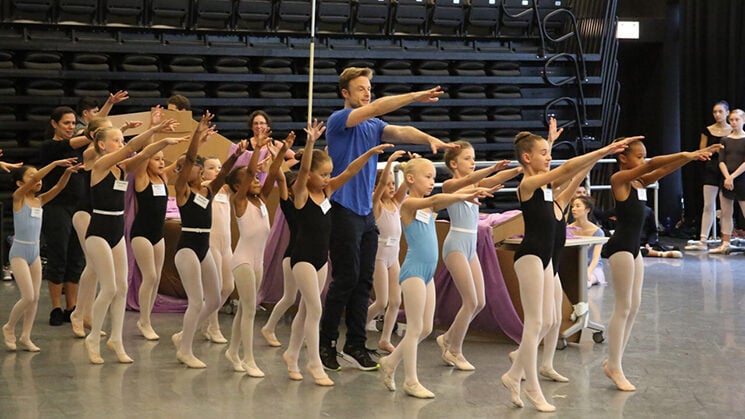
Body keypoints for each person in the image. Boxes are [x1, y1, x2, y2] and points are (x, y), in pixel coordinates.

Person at [319, 66, 456, 372]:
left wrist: (429, 139)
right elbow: (380, 106)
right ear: (346, 93)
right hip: (341, 210)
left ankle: (355, 344)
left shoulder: (373, 125)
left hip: (366, 214)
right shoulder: (339, 120)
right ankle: (325, 343)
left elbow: (401, 131)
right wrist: (417, 95)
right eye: (360, 89)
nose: (366, 93)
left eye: (368, 88)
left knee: (363, 281)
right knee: (345, 279)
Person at [501, 133, 637, 412]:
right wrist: (605, 148)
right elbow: (565, 169)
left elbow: (573, 176)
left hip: (547, 261)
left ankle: (513, 373)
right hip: (529, 258)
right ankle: (530, 386)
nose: (548, 157)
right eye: (543, 152)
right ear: (527, 158)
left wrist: (596, 158)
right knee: (535, 323)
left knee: (550, 320)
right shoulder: (527, 185)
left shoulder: (553, 198)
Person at [602, 138, 721, 391]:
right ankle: (614, 365)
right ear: (624, 158)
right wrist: (689, 151)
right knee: (623, 307)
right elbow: (655, 164)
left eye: (645, 156)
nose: (644, 161)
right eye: (639, 156)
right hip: (621, 246)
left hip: (634, 249)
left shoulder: (638, 182)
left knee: (634, 307)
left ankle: (615, 361)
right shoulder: (619, 181)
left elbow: (662, 169)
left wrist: (688, 158)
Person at [282, 121, 391, 386]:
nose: (328, 178)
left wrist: (369, 153)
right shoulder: (300, 194)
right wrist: (309, 144)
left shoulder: (327, 191)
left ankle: (291, 354)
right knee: (316, 310)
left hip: (321, 260)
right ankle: (314, 363)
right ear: (309, 177)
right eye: (323, 175)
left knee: (306, 311)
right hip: (303, 259)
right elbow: (305, 167)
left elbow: (351, 171)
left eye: (330, 174)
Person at [378, 158, 495, 398]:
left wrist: (471, 191)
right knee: (414, 328)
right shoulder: (409, 203)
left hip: (428, 273)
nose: (433, 182)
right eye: (428, 177)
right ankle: (410, 380)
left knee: (426, 328)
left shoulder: (430, 208)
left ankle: (390, 362)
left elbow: (439, 199)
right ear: (410, 179)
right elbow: (435, 199)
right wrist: (463, 196)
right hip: (413, 272)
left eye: (434, 177)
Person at [84, 121, 183, 364]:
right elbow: (135, 149)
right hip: (98, 231)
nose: (121, 144)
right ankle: (93, 337)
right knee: (109, 287)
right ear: (102, 144)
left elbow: (145, 153)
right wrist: (153, 132)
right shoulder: (100, 165)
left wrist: (160, 140)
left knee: (122, 287)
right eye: (116, 140)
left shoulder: (122, 168)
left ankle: (116, 339)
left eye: (122, 139)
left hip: (117, 230)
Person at [436, 141, 521, 371]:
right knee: (470, 301)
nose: (472, 162)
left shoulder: (475, 182)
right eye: (467, 159)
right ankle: (454, 350)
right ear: (453, 163)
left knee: (480, 302)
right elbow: (469, 184)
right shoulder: (450, 185)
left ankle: (447, 338)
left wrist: (518, 168)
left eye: (474, 158)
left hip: (471, 246)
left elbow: (491, 182)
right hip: (455, 245)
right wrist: (492, 169)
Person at [171, 111, 245, 369]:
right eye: (184, 167)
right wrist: (197, 135)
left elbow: (223, 174)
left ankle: (183, 334)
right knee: (196, 299)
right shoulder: (182, 191)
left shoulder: (207, 190)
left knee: (213, 299)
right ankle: (185, 349)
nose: (189, 168)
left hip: (204, 248)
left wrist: (235, 156)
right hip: (188, 248)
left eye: (192, 166)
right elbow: (189, 157)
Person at [225, 129, 294, 377]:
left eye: (255, 180)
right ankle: (249, 358)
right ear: (238, 186)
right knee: (250, 310)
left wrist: (283, 151)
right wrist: (256, 151)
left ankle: (233, 351)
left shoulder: (262, 199)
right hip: (242, 260)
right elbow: (252, 173)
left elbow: (272, 173)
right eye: (251, 180)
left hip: (257, 262)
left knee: (245, 309)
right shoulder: (239, 201)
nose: (256, 181)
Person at [2, 158, 80, 352]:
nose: (37, 181)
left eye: (38, 178)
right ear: (21, 183)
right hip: (19, 252)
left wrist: (67, 173)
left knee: (35, 297)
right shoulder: (18, 197)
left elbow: (59, 188)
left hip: (35, 253)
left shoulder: (39, 200)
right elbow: (37, 176)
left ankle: (26, 336)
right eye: (31, 177)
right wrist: (54, 164)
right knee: (27, 296)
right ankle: (9, 327)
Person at [39, 107, 94, 326]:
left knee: (76, 257)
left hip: (78, 207)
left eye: (73, 123)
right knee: (58, 254)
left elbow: (92, 132)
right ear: (54, 124)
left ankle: (72, 306)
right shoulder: (50, 147)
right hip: (56, 207)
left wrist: (107, 109)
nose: (71, 127)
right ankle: (55, 307)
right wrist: (91, 133)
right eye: (66, 123)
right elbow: (73, 142)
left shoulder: (80, 146)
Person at [131, 134, 183, 341]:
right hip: (141, 233)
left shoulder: (163, 178)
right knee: (150, 276)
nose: (161, 162)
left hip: (157, 235)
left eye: (163, 159)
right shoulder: (141, 179)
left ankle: (146, 318)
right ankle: (144, 320)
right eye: (157, 159)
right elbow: (145, 153)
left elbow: (180, 162)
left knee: (157, 277)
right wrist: (155, 131)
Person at [365, 150, 408, 354]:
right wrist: (389, 163)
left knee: (396, 301)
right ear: (375, 187)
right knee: (381, 301)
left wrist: (409, 169)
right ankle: (358, 325)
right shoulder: (376, 204)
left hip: (394, 256)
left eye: (393, 184)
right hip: (379, 256)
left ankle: (385, 339)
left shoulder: (396, 203)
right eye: (387, 184)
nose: (391, 188)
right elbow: (381, 185)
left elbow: (405, 186)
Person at [259, 169, 299, 347]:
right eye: (297, 183)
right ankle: (269, 327)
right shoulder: (289, 205)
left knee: (309, 301)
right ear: (290, 190)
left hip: (312, 256)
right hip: (293, 256)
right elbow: (282, 180)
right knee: (290, 298)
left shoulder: (312, 202)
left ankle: (304, 334)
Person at [686, 101, 732, 251]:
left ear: (727, 113)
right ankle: (703, 239)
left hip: (728, 169)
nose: (717, 115)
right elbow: (702, 151)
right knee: (708, 205)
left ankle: (726, 240)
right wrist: (714, 150)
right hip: (711, 168)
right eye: (715, 112)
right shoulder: (707, 130)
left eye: (720, 111)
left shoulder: (733, 131)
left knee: (726, 207)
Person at [200, 156, 233, 344]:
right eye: (211, 167)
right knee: (216, 287)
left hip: (226, 244)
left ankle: (205, 319)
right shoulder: (205, 188)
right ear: (203, 171)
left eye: (219, 167)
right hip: (211, 242)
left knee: (228, 286)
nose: (216, 170)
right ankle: (214, 326)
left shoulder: (226, 190)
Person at [709, 109, 745, 254]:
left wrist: (733, 176)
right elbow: (721, 161)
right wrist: (727, 177)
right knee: (726, 212)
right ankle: (725, 242)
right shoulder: (725, 140)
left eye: (737, 120)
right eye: (731, 120)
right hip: (727, 180)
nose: (734, 122)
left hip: (741, 179)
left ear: (743, 120)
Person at [227, 110, 298, 183]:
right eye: (255, 123)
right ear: (251, 126)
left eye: (262, 123)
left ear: (267, 125)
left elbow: (295, 158)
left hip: (270, 181)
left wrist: (276, 168)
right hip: (249, 181)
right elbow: (231, 163)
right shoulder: (244, 144)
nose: (258, 126)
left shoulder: (275, 144)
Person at [569, 196, 606, 287]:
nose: (574, 209)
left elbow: (596, 258)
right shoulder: (568, 229)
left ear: (587, 210)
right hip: (574, 267)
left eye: (578, 206)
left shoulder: (598, 232)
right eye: (573, 206)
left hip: (593, 267)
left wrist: (588, 271)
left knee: (585, 282)